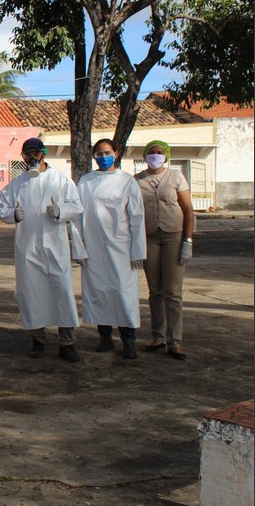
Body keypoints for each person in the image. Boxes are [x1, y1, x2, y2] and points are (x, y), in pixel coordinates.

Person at [0, 137, 83, 363]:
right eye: (28, 153)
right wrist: (12, 215)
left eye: (36, 152)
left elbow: (76, 206)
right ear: (23, 157)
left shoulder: (61, 179)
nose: (32, 157)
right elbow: (1, 208)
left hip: (56, 247)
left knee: (62, 292)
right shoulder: (17, 184)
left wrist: (60, 210)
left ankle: (67, 342)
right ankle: (38, 339)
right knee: (32, 294)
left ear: (44, 154)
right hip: (28, 248)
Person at [74, 139, 146, 359]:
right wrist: (79, 248)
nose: (103, 156)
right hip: (94, 247)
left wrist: (138, 250)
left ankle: (129, 340)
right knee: (98, 293)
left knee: (124, 294)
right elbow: (76, 218)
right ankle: (104, 337)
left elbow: (137, 217)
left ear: (115, 153)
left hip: (121, 247)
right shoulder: (85, 182)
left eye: (107, 152)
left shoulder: (126, 181)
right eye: (99, 153)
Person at [134, 140, 195, 361]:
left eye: (159, 152)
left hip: (173, 236)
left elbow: (188, 210)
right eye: (151, 152)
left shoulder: (176, 177)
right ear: (145, 155)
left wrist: (187, 240)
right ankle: (158, 336)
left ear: (166, 156)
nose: (155, 155)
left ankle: (175, 341)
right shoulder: (137, 180)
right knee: (155, 290)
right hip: (149, 237)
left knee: (173, 291)